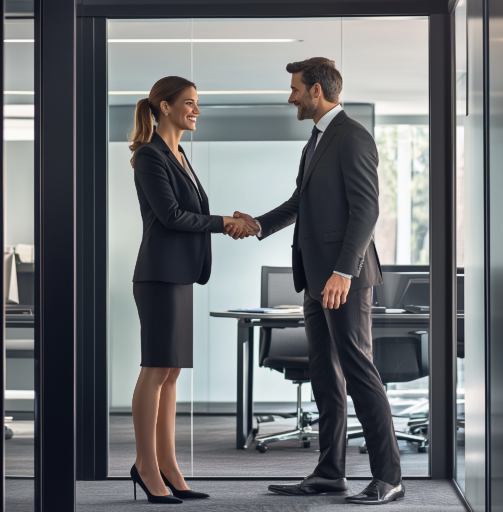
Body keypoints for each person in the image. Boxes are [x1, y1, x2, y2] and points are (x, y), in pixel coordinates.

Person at [226, 58, 404, 505]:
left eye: (295, 89)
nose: (291, 97)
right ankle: (330, 472)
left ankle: (390, 476)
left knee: (360, 373)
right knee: (326, 377)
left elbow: (366, 210)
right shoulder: (318, 140)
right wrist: (257, 225)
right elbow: (298, 202)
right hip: (315, 278)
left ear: (317, 91)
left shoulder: (352, 137)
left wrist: (344, 271)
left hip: (344, 279)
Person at [128, 76, 258, 504]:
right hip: (159, 275)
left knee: (172, 371)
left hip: (180, 276)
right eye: (188, 103)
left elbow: (191, 213)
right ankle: (146, 465)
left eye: (196, 104)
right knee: (155, 368)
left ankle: (169, 465)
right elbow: (170, 216)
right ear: (164, 107)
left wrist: (226, 222)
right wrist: (224, 222)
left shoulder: (180, 154)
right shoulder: (150, 156)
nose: (195, 110)